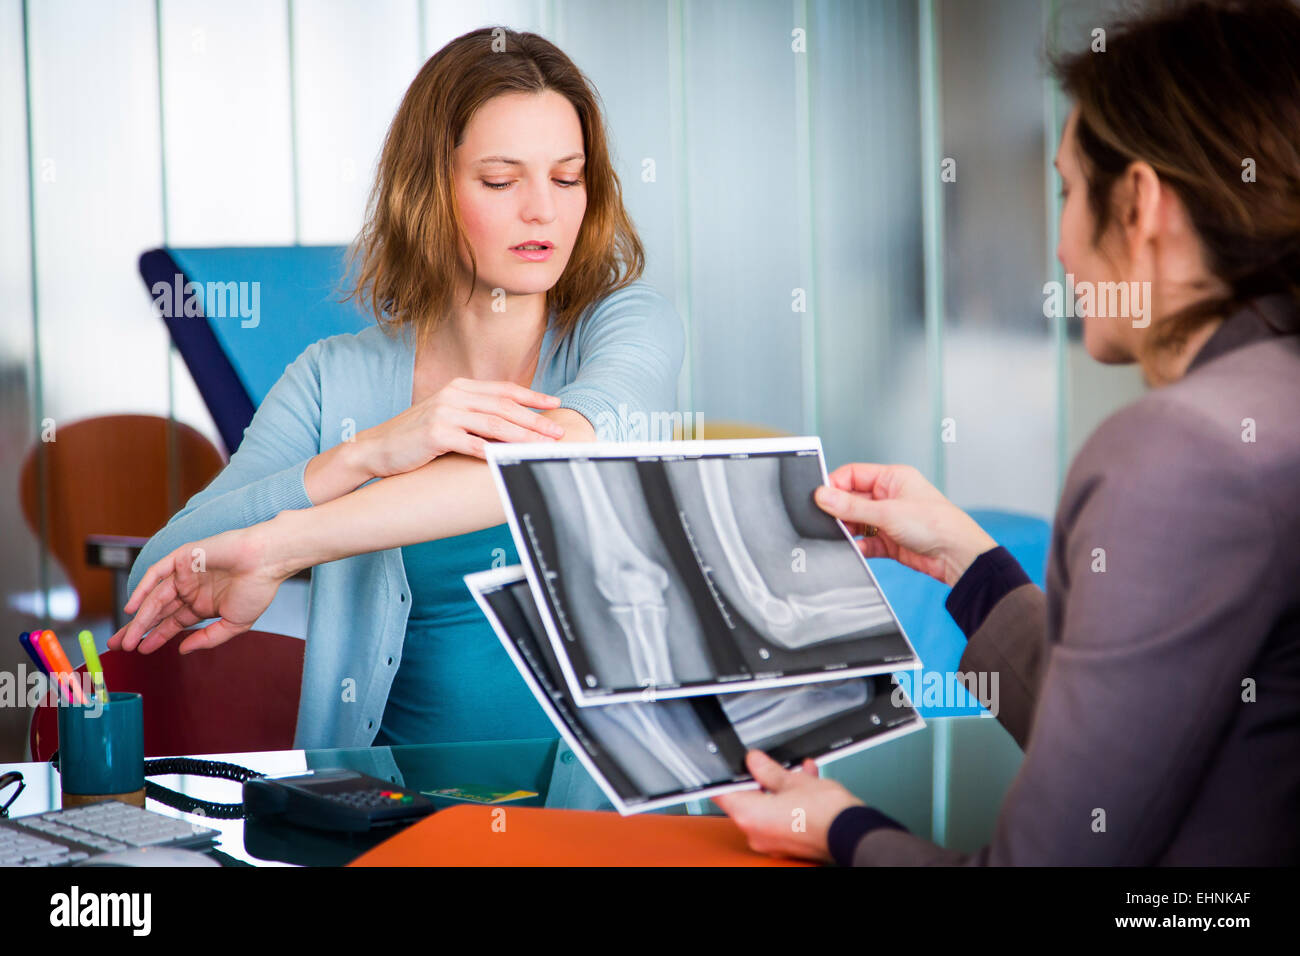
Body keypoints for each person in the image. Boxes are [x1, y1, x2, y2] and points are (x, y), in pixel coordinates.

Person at [715, 0, 1300, 865]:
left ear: (1140, 204)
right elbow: (1133, 747)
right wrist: (964, 561)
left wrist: (839, 827)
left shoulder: (1177, 448)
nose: (1060, 247)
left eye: (1068, 193)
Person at [110, 27, 683, 760]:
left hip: (600, 812)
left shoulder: (631, 324)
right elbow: (167, 570)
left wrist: (284, 546)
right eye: (502, 180)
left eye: (568, 178)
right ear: (429, 192)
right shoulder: (332, 376)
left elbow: (551, 459)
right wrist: (366, 452)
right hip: (390, 809)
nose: (544, 210)